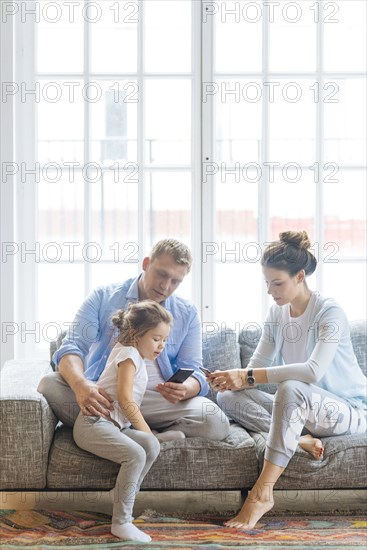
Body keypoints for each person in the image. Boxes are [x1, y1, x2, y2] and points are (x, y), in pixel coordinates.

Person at [208, 230, 367, 530]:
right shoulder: (277, 313)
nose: (271, 290)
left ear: (300, 276)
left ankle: (261, 494)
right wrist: (233, 380)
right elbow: (255, 371)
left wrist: (247, 375)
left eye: (277, 283)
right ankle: (299, 439)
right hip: (302, 416)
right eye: (267, 283)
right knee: (227, 398)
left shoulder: (329, 312)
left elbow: (312, 372)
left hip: (348, 411)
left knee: (292, 386)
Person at [38, 238, 230, 440]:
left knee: (215, 421)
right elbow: (72, 346)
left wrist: (186, 388)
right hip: (106, 397)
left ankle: (118, 432)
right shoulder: (103, 297)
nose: (166, 286)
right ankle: (147, 435)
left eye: (175, 281)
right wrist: (80, 386)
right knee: (49, 384)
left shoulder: (187, 313)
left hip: (156, 401)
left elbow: (195, 370)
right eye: (162, 274)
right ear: (146, 264)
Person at [73, 300, 171, 542]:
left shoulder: (136, 356)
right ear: (136, 335)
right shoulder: (127, 355)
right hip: (92, 424)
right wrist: (146, 430)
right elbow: (126, 399)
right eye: (156, 339)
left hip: (115, 425)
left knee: (151, 446)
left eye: (164, 340)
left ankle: (121, 498)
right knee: (136, 453)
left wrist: (149, 437)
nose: (161, 346)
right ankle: (121, 522)